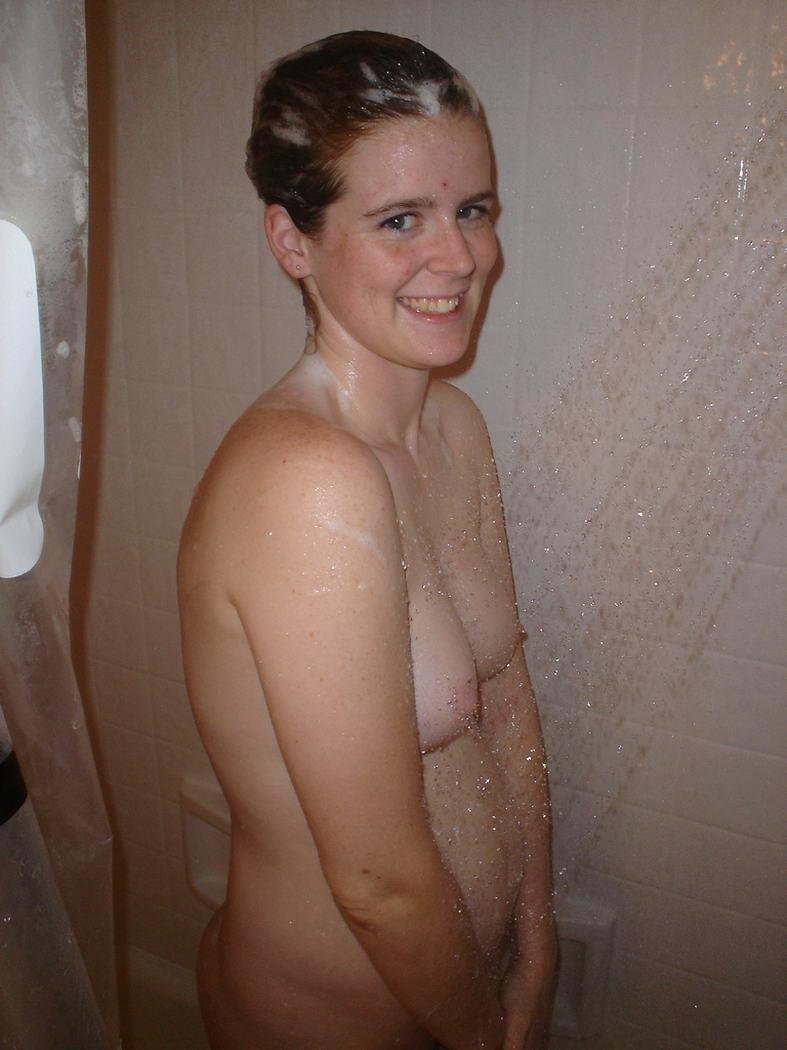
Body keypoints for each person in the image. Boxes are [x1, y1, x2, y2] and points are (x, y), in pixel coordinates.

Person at [177, 30, 556, 1050]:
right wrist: (483, 1036)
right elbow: (376, 881)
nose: (460, 257)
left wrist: (532, 940)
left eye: (472, 210)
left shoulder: (452, 427)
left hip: (462, 997)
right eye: (401, 219)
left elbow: (508, 705)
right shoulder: (306, 481)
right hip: (328, 1024)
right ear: (292, 242)